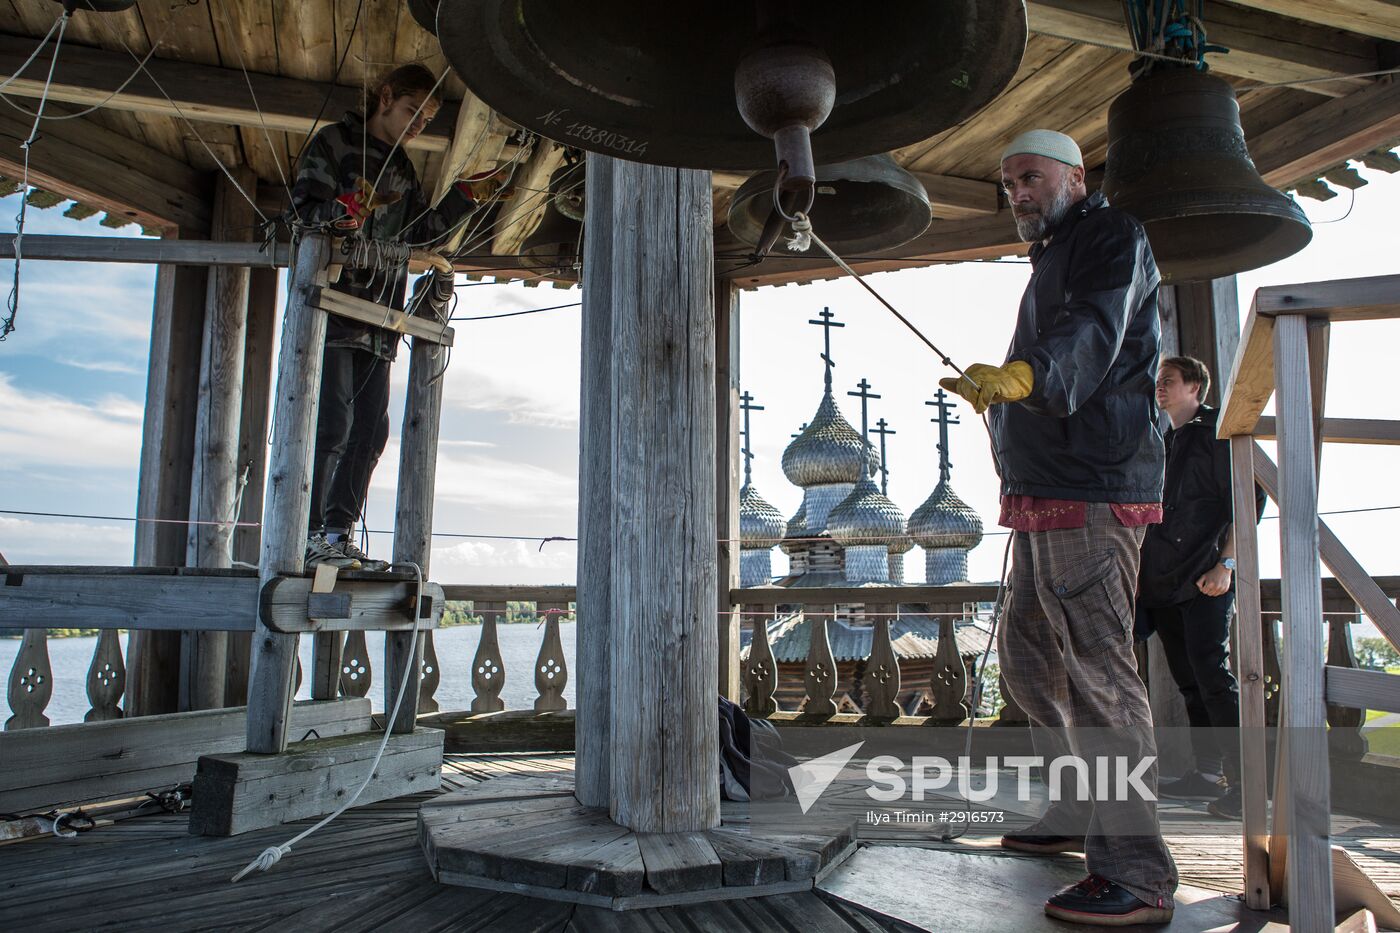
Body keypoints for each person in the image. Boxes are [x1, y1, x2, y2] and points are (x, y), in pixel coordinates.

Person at [940, 129, 1177, 926]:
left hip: (1093, 488)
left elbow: (1090, 338)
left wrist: (1026, 375)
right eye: (1008, 183)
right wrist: (1008, 399)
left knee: (1099, 680)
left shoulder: (1113, 238)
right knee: (1034, 663)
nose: (1018, 194)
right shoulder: (1054, 260)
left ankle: (1138, 873)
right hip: (1045, 491)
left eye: (1031, 178)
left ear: (1076, 177)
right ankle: (1078, 809)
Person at [289, 64, 492, 570]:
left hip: (381, 319)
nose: (420, 123)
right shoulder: (333, 145)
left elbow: (420, 237)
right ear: (385, 97)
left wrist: (465, 197)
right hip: (332, 311)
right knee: (332, 423)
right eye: (413, 111)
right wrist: (348, 208)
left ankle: (337, 534)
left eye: (426, 117)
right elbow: (301, 216)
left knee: (371, 433)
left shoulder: (401, 168)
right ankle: (306, 534)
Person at [1138, 356, 1264, 820]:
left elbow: (1246, 501)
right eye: (1159, 382)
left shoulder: (1217, 437)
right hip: (1165, 582)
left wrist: (1226, 564)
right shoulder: (1165, 440)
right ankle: (1208, 775)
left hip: (1205, 577)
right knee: (1190, 681)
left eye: (1168, 381)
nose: (1160, 388)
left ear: (1195, 386)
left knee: (1214, 679)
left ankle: (1247, 784)